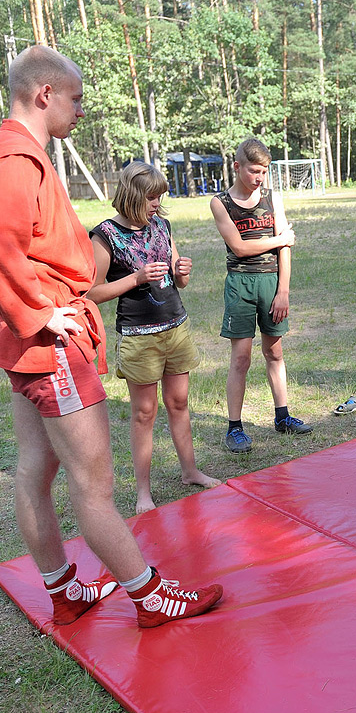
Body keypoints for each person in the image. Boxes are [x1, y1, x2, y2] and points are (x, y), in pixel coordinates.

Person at [0, 45, 222, 628]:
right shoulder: (19, 157)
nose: (80, 111)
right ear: (44, 94)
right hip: (50, 346)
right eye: (75, 100)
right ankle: (150, 597)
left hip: (28, 344)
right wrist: (38, 312)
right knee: (94, 485)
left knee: (36, 468)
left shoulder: (2, 152)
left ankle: (64, 590)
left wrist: (24, 311)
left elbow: (2, 245)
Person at [87, 162, 221, 514]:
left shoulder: (162, 225)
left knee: (179, 404)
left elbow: (177, 281)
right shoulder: (104, 235)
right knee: (144, 413)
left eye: (160, 198)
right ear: (132, 196)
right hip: (138, 336)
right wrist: (135, 278)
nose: (157, 205)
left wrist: (182, 272)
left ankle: (190, 472)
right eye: (152, 198)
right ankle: (143, 493)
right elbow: (91, 292)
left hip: (176, 328)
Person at [211, 138, 312, 452]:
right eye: (254, 171)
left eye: (264, 171)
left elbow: (286, 249)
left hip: (271, 284)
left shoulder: (271, 197)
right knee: (240, 358)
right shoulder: (220, 203)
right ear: (238, 166)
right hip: (240, 284)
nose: (259, 177)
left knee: (275, 353)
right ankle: (235, 428)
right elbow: (239, 247)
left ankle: (282, 416)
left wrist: (283, 291)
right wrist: (280, 239)